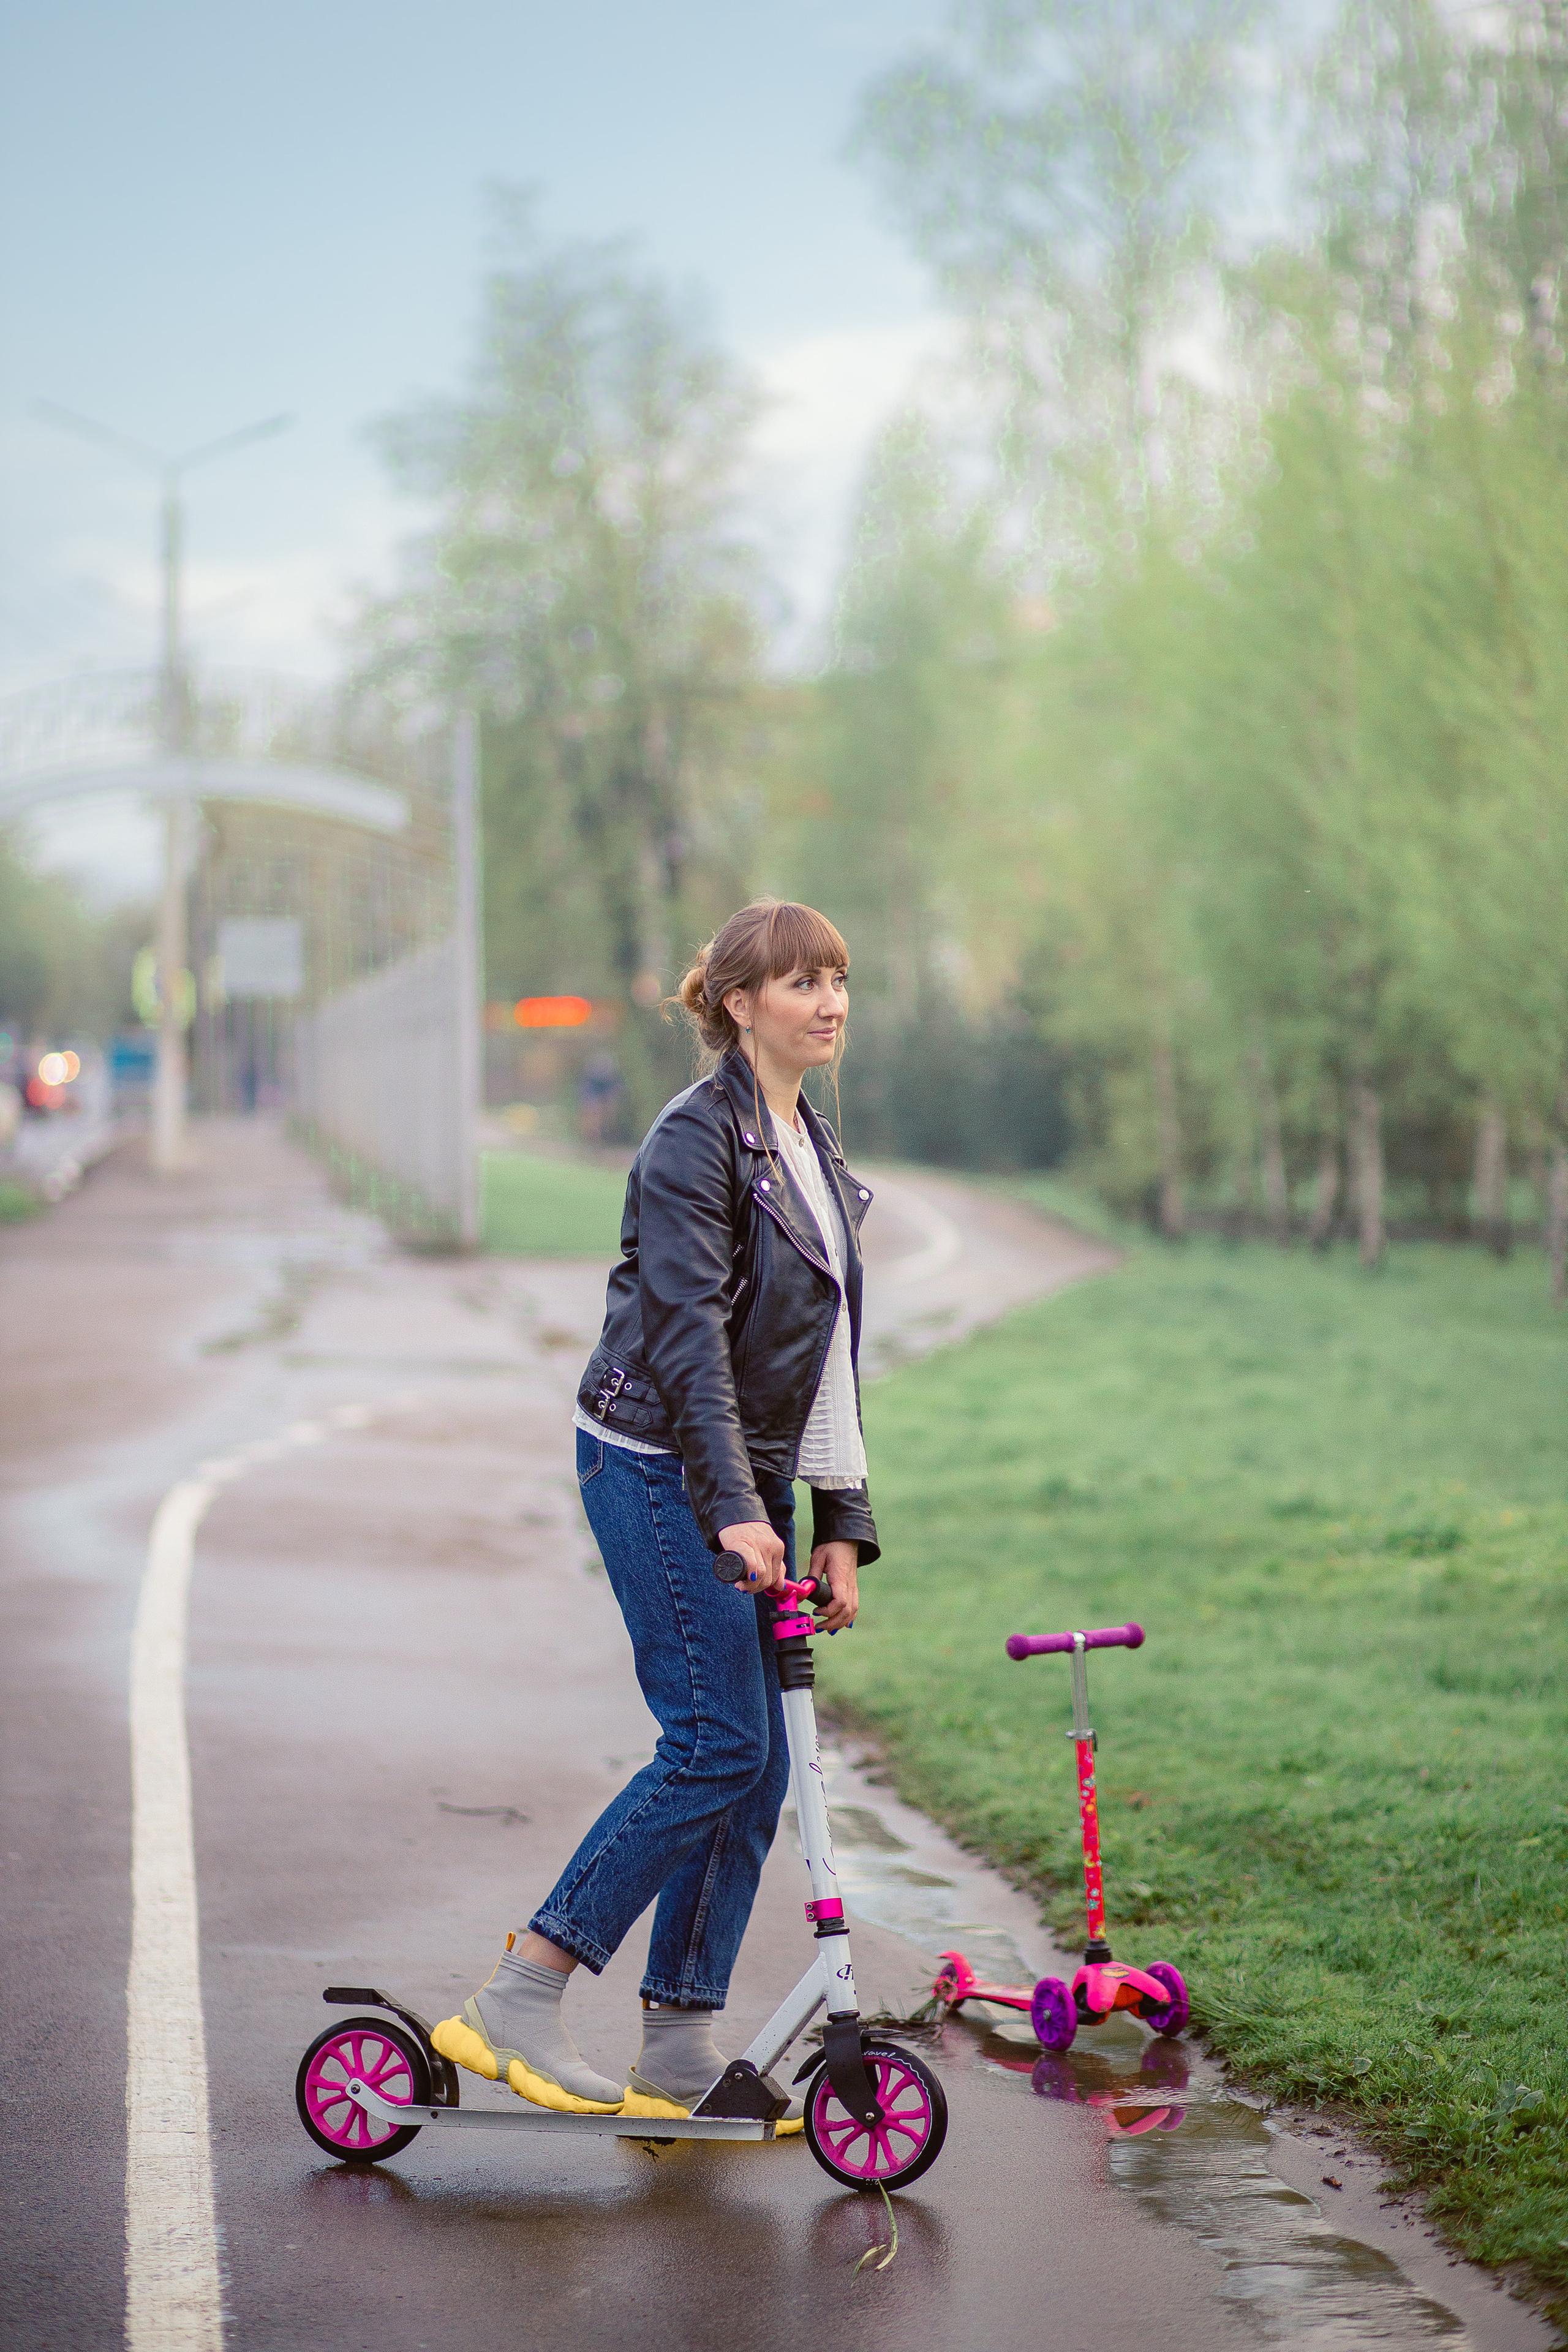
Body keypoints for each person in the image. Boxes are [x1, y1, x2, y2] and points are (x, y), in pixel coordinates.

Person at [434, 899, 878, 2120]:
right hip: (647, 1458)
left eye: (837, 979)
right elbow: (685, 1339)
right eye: (800, 982)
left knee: (757, 1766)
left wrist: (838, 1516)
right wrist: (738, 1507)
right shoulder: (696, 1141)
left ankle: (676, 2038)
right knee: (716, 1742)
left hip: (740, 1477)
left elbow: (826, 1350)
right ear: (739, 1005)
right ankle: (521, 1990)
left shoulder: (814, 1152)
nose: (829, 1001)